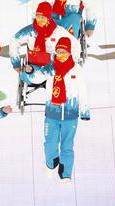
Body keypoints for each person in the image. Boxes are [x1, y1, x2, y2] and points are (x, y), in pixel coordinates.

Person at [21, 37, 90, 182]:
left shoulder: (76, 70)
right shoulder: (51, 68)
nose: (61, 54)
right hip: (52, 114)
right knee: (50, 143)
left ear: (70, 52)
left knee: (67, 145)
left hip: (70, 115)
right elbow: (37, 77)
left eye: (64, 51)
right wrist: (31, 70)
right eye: (58, 51)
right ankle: (51, 162)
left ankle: (66, 173)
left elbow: (82, 90)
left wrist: (84, 110)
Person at [9, 2, 80, 84]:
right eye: (38, 16)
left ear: (49, 18)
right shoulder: (29, 31)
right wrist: (16, 63)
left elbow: (75, 44)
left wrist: (72, 61)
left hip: (53, 67)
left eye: (43, 17)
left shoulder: (58, 31)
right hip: (34, 67)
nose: (40, 20)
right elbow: (14, 40)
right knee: (29, 75)